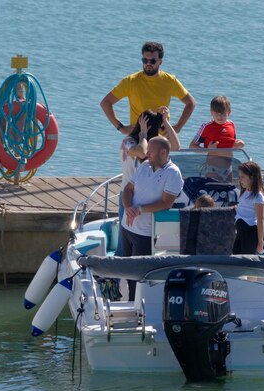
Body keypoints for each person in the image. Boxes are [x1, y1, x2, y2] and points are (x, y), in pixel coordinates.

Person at [122, 136, 184, 300]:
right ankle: (130, 300)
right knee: (128, 271)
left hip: (145, 234)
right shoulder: (144, 165)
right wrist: (129, 208)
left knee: (139, 275)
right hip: (127, 228)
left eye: (150, 151)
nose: (146, 153)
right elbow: (128, 189)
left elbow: (166, 203)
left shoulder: (173, 173)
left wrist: (139, 210)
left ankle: (137, 307)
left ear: (163, 153)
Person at [116, 107, 180, 254]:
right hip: (128, 194)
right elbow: (142, 152)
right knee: (123, 237)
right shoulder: (128, 142)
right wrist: (143, 134)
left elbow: (175, 146)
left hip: (145, 201)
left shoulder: (154, 145)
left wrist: (166, 121)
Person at [100, 41, 196, 136]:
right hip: (138, 136)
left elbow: (191, 103)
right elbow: (105, 103)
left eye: (153, 61)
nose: (148, 64)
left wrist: (178, 127)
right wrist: (121, 128)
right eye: (145, 60)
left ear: (160, 62)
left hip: (160, 139)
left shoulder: (170, 81)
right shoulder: (130, 81)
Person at [233, 161, 264, 254]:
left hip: (249, 232)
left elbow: (260, 219)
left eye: (242, 177)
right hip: (240, 230)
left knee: (246, 259)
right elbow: (245, 206)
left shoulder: (258, 197)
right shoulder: (245, 192)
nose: (240, 180)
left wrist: (260, 242)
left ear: (252, 177)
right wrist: (238, 208)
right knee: (235, 255)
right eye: (239, 177)